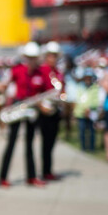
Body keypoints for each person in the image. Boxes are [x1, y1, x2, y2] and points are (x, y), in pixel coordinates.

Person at [0, 42, 47, 188]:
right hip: (18, 106)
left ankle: (31, 176)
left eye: (34, 57)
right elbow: (6, 84)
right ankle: (3, 177)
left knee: (30, 143)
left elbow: (44, 91)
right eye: (29, 57)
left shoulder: (40, 73)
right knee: (11, 142)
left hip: (32, 107)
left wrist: (41, 102)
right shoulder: (17, 70)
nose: (31, 60)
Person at [38, 41, 65, 181]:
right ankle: (44, 171)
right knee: (45, 142)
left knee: (52, 141)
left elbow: (62, 89)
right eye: (51, 55)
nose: (53, 58)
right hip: (44, 110)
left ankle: (49, 170)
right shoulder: (42, 70)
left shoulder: (58, 73)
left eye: (55, 56)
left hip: (55, 109)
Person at [73, 68, 101, 152]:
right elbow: (79, 100)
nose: (88, 80)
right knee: (82, 131)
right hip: (81, 113)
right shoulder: (80, 88)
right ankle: (83, 147)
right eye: (86, 78)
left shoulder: (95, 88)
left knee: (92, 131)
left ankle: (92, 148)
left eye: (89, 78)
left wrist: (90, 108)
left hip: (91, 113)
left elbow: (96, 100)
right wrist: (85, 109)